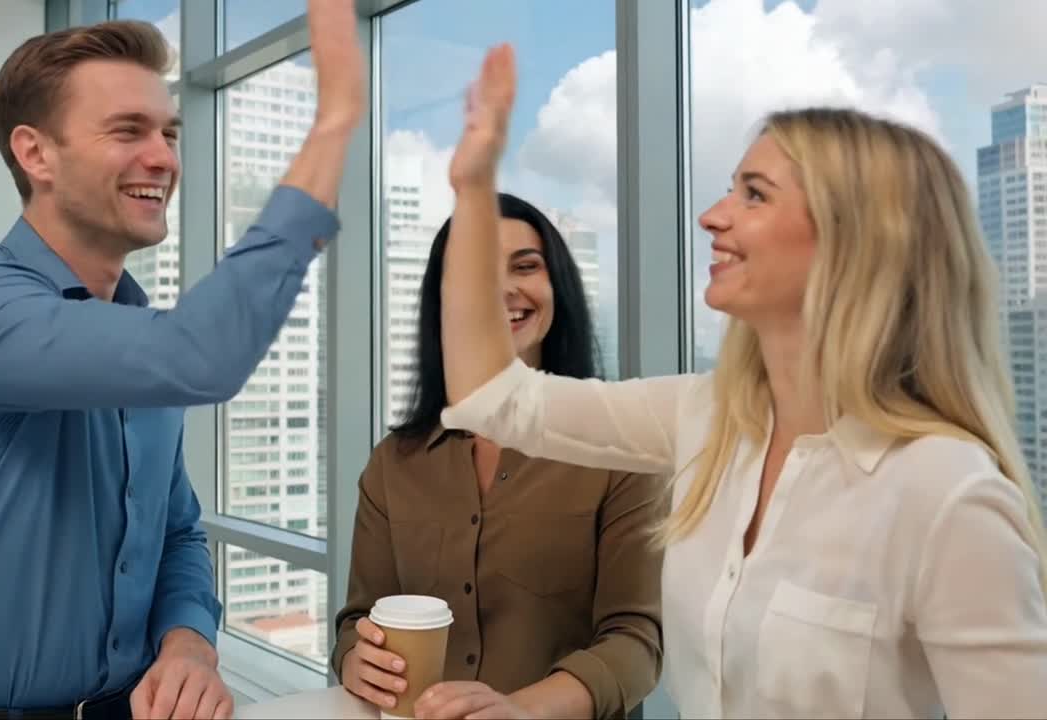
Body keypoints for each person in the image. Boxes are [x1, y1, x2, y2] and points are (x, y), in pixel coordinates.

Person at [429, 45, 1047, 719]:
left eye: (754, 194)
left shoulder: (944, 495)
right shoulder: (705, 419)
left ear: (854, 237)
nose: (713, 217)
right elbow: (495, 399)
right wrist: (473, 189)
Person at [0, 2, 364, 718]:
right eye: (127, 131)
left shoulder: (134, 335)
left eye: (169, 132)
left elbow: (175, 533)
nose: (165, 157)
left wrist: (189, 643)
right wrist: (334, 124)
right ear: (35, 153)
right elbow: (202, 355)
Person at [332, 193, 663, 720]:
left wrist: (519, 710)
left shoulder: (619, 450)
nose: (502, 289)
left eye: (525, 266)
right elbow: (357, 619)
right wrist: (355, 656)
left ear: (557, 287)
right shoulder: (393, 465)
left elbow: (638, 640)